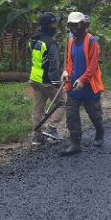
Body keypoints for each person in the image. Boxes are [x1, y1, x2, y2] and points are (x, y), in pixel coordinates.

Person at [61, 11, 105, 156]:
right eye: (71, 25)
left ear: (83, 25)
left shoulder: (92, 41)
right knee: (71, 114)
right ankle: (75, 143)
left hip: (89, 87)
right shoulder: (71, 41)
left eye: (76, 25)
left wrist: (82, 80)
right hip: (73, 86)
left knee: (94, 114)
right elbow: (69, 62)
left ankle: (99, 131)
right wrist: (66, 72)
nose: (74, 28)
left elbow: (92, 66)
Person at [29, 12, 64, 146]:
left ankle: (37, 137)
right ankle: (52, 128)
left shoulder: (33, 40)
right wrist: (55, 82)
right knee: (63, 102)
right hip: (47, 79)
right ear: (49, 25)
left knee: (38, 108)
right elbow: (54, 64)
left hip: (34, 78)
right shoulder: (51, 43)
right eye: (54, 24)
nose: (56, 26)